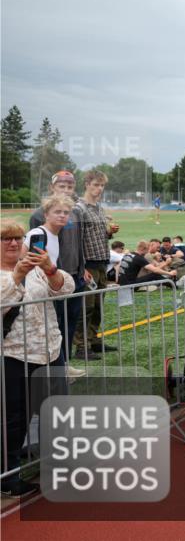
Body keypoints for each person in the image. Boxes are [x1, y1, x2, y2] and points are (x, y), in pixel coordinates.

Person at [1, 219, 75, 497]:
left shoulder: (34, 268)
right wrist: (17, 276)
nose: (13, 243)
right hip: (13, 355)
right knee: (14, 417)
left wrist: (49, 267)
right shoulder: (13, 273)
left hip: (49, 350)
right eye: (5, 239)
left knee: (57, 411)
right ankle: (8, 474)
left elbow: (65, 288)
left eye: (17, 238)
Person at [29, 171, 88, 365]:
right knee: (55, 326)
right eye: (62, 186)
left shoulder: (75, 212)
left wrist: (82, 268)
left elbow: (79, 243)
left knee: (70, 323)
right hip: (54, 280)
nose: (66, 190)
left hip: (75, 277)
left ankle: (65, 365)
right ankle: (54, 366)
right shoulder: (39, 215)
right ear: (52, 188)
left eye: (70, 187)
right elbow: (36, 252)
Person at [75, 170, 119, 360]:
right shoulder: (79, 209)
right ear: (86, 184)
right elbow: (76, 240)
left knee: (99, 306)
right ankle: (81, 346)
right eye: (96, 185)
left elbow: (98, 235)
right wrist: (81, 267)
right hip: (88, 264)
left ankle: (93, 340)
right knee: (87, 307)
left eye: (102, 185)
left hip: (102, 262)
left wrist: (109, 232)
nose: (99, 189)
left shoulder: (99, 208)